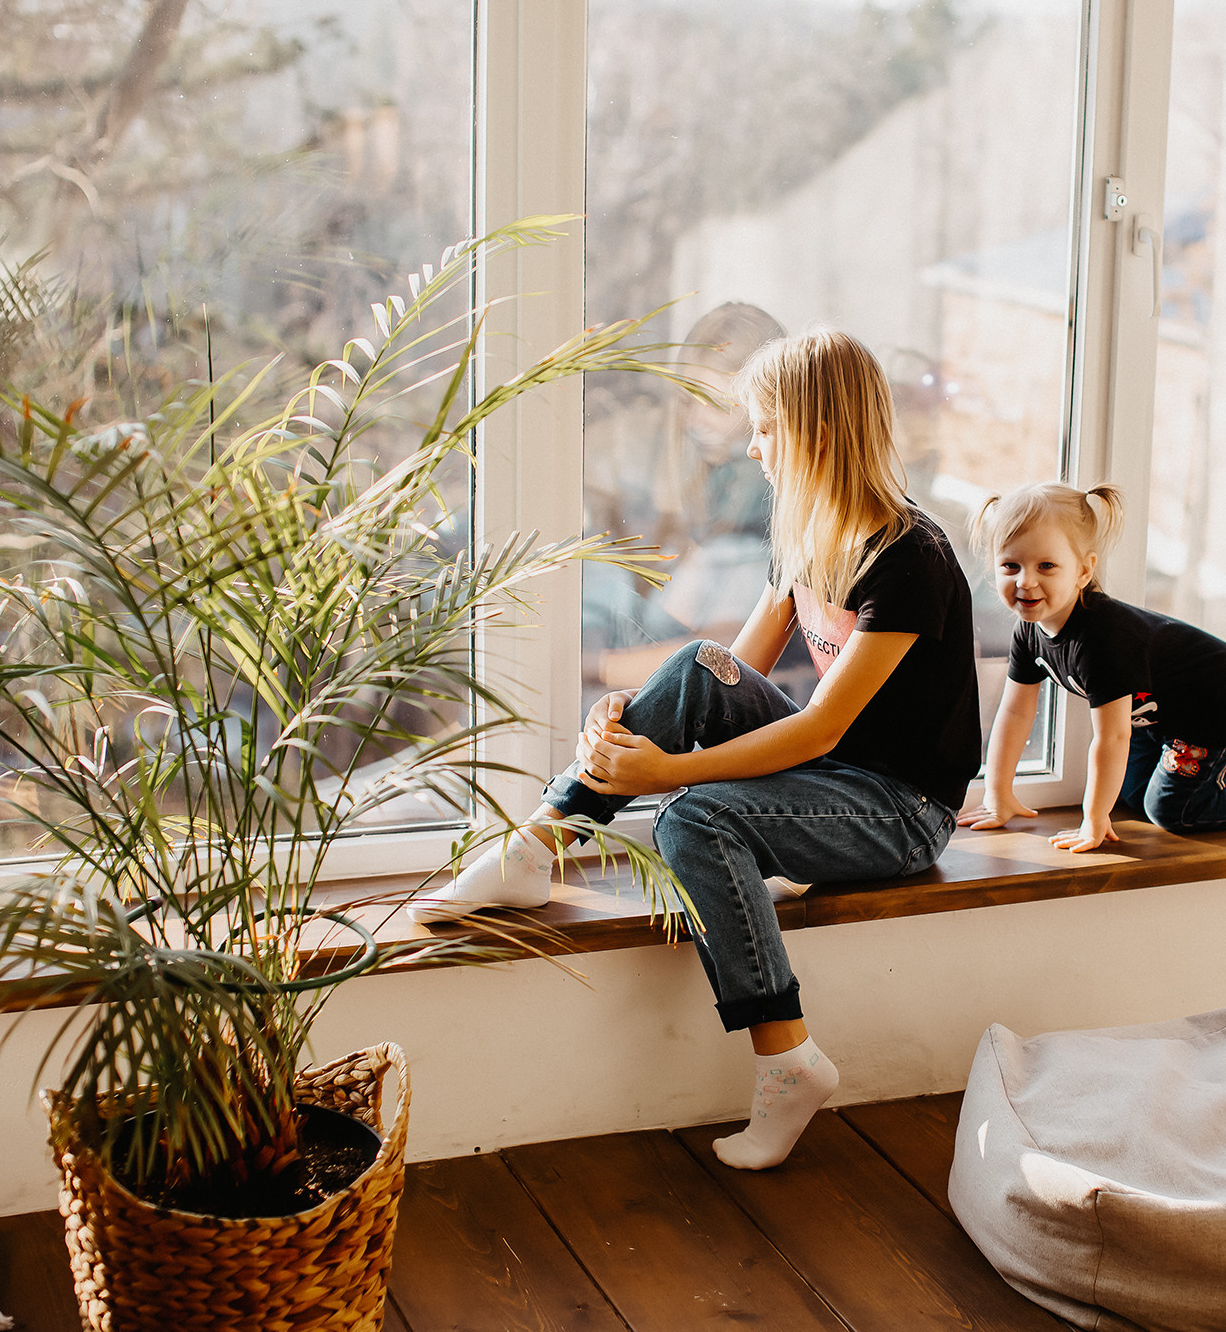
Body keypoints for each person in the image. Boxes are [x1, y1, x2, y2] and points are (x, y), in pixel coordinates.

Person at [410, 328, 982, 1170]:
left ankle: (788, 1063)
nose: (751, 448)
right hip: (833, 777)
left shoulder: (910, 560)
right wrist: (632, 716)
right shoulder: (806, 536)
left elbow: (821, 727)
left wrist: (666, 772)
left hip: (902, 808)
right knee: (691, 668)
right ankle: (538, 843)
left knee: (693, 820)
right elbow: (731, 671)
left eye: (764, 429)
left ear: (817, 432)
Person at [957, 482, 1226, 852]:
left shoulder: (1101, 640)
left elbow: (1113, 737)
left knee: (1169, 809)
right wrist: (997, 793)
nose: (1025, 581)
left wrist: (1093, 820)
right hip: (1160, 720)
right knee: (1132, 791)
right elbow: (1016, 711)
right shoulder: (1029, 632)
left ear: (1084, 572)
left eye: (1047, 566)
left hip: (1222, 708)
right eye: (1010, 565)